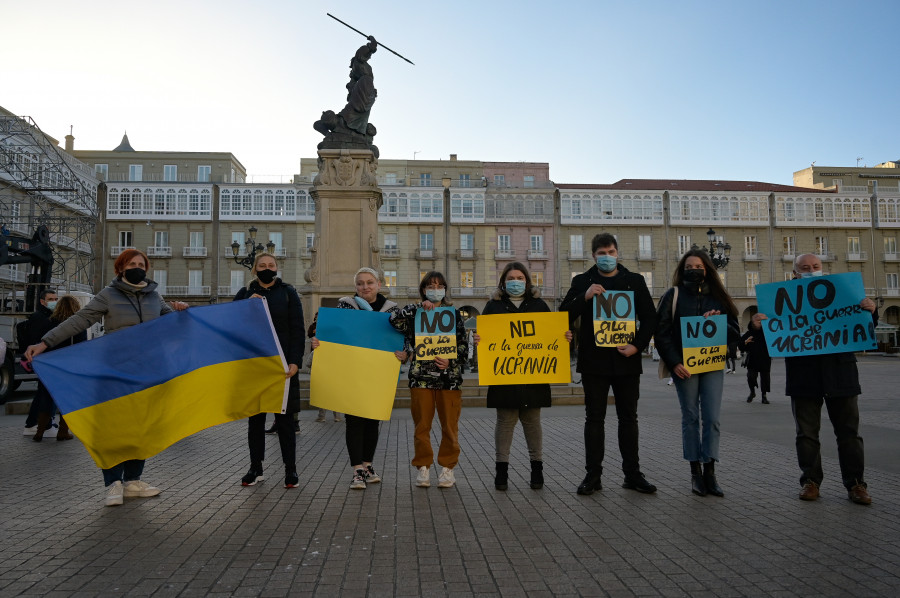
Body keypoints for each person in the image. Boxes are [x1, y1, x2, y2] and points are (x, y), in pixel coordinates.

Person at [25, 249, 189, 507]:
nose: (137, 267)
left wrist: (182, 311)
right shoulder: (109, 295)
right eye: (132, 264)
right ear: (121, 268)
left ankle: (133, 480)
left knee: (141, 427)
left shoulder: (155, 296)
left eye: (141, 264)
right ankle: (113, 483)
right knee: (114, 427)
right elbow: (79, 320)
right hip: (114, 369)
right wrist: (45, 343)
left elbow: (174, 324)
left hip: (146, 371)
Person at [758, 254, 876, 505]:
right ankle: (810, 482)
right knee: (806, 434)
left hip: (840, 373)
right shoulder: (784, 300)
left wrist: (871, 311)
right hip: (804, 376)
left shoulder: (842, 294)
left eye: (815, 267)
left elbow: (863, 326)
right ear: (795, 274)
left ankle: (856, 484)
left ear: (823, 269)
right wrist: (758, 327)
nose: (811, 270)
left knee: (849, 434)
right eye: (804, 268)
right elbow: (767, 341)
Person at [560, 233, 659, 496]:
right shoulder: (582, 281)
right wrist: (585, 296)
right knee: (594, 419)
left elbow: (650, 318)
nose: (607, 257)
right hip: (594, 362)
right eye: (602, 253)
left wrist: (637, 345)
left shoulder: (634, 281)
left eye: (611, 251)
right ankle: (593, 475)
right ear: (593, 256)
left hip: (626, 359)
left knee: (629, 419)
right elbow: (562, 315)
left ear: (618, 253)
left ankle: (632, 474)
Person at [474, 262, 572, 491]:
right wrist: (479, 340)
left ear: (527, 281)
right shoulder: (492, 306)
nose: (515, 281)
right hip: (504, 377)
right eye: (510, 278)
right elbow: (485, 337)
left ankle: (537, 470)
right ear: (503, 282)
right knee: (505, 423)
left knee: (532, 423)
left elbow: (551, 336)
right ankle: (501, 472)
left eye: (519, 277)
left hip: (533, 376)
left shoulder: (539, 305)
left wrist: (564, 337)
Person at [654, 249, 739, 498]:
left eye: (699, 266)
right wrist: (674, 362)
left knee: (712, 417)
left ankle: (710, 470)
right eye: (689, 266)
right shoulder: (674, 295)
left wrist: (719, 319)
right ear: (682, 270)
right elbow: (662, 333)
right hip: (685, 366)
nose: (694, 270)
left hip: (712, 364)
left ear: (707, 269)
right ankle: (695, 472)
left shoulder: (719, 297)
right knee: (690, 416)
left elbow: (734, 332)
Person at [312, 267, 406, 489]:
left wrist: (405, 353)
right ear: (355, 287)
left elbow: (404, 338)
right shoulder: (346, 306)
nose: (365, 287)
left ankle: (367, 464)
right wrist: (319, 343)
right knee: (354, 421)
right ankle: (357, 470)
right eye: (360, 283)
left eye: (370, 282)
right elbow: (333, 333)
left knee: (373, 420)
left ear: (379, 284)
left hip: (378, 373)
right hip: (351, 372)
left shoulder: (393, 311)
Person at [390, 271, 468, 489]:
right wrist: (417, 306)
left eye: (440, 285)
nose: (436, 289)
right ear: (423, 289)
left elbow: (463, 347)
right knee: (422, 426)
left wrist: (450, 361)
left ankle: (447, 469)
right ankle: (423, 467)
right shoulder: (415, 314)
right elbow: (394, 320)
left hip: (450, 380)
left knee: (450, 427)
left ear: (445, 289)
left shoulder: (453, 314)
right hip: (420, 379)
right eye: (431, 285)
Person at [233, 253, 305, 489]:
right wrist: (245, 307)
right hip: (254, 366)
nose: (267, 268)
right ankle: (256, 467)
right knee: (255, 421)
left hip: (282, 367)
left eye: (271, 265)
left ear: (277, 268)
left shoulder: (288, 293)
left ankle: (290, 469)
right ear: (254, 270)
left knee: (285, 421)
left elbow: (297, 329)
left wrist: (296, 361)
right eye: (262, 266)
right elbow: (231, 326)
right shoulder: (244, 295)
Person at [30, 295, 87, 441]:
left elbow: (41, 342)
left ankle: (39, 432)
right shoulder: (78, 325)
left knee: (46, 398)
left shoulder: (48, 322)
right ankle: (63, 432)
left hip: (49, 366)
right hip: (69, 367)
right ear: (76, 307)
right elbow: (82, 348)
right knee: (67, 400)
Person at [22, 289, 58, 436]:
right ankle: (39, 424)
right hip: (43, 359)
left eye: (56, 299)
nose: (54, 302)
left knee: (44, 392)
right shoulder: (38, 318)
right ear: (42, 301)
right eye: (51, 299)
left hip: (48, 359)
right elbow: (36, 339)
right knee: (45, 394)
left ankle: (37, 423)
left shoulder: (50, 316)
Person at [739, 313, 772, 403]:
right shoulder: (749, 333)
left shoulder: (767, 332)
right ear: (753, 322)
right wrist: (746, 342)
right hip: (753, 359)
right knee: (751, 377)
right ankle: (752, 392)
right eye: (758, 321)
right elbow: (741, 346)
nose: (760, 323)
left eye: (762, 321)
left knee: (765, 378)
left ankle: (764, 396)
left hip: (765, 358)